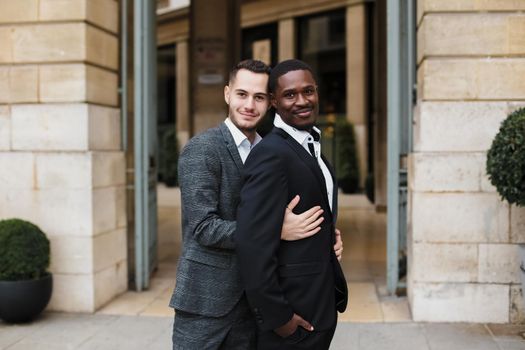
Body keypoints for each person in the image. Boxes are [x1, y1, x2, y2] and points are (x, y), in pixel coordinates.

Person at [169, 59, 343, 350]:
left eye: (259, 97)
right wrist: (274, 230)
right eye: (242, 94)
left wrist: (323, 238)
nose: (249, 105)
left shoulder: (273, 148)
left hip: (253, 305)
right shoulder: (202, 150)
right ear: (227, 94)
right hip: (208, 303)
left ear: (270, 102)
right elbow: (203, 227)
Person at [235, 59, 348, 350]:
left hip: (319, 306)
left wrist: (329, 236)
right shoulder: (270, 153)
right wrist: (279, 318)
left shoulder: (313, 149)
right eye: (289, 95)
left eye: (308, 91)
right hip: (290, 318)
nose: (302, 101)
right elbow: (252, 245)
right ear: (273, 101)